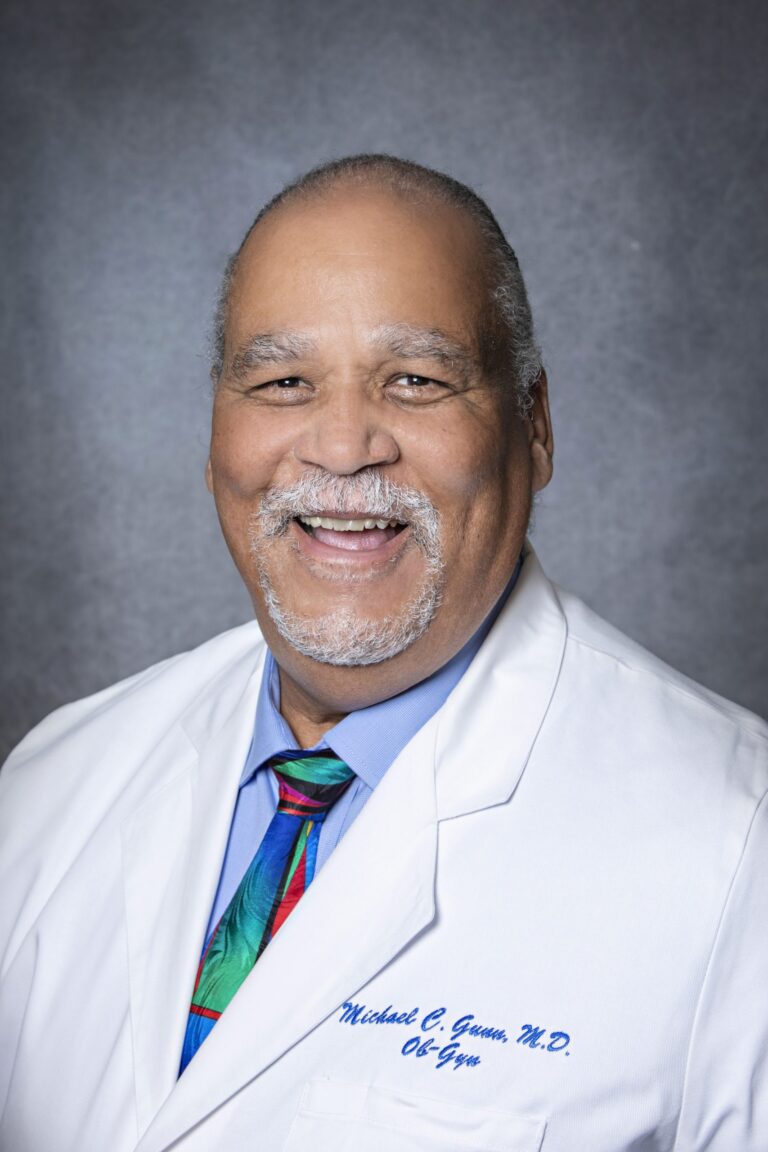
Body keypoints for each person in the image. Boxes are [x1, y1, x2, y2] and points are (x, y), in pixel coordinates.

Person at [0, 154, 765, 1152]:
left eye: (416, 380)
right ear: (214, 434)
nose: (345, 446)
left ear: (533, 426)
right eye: (282, 382)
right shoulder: (54, 781)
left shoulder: (736, 853)